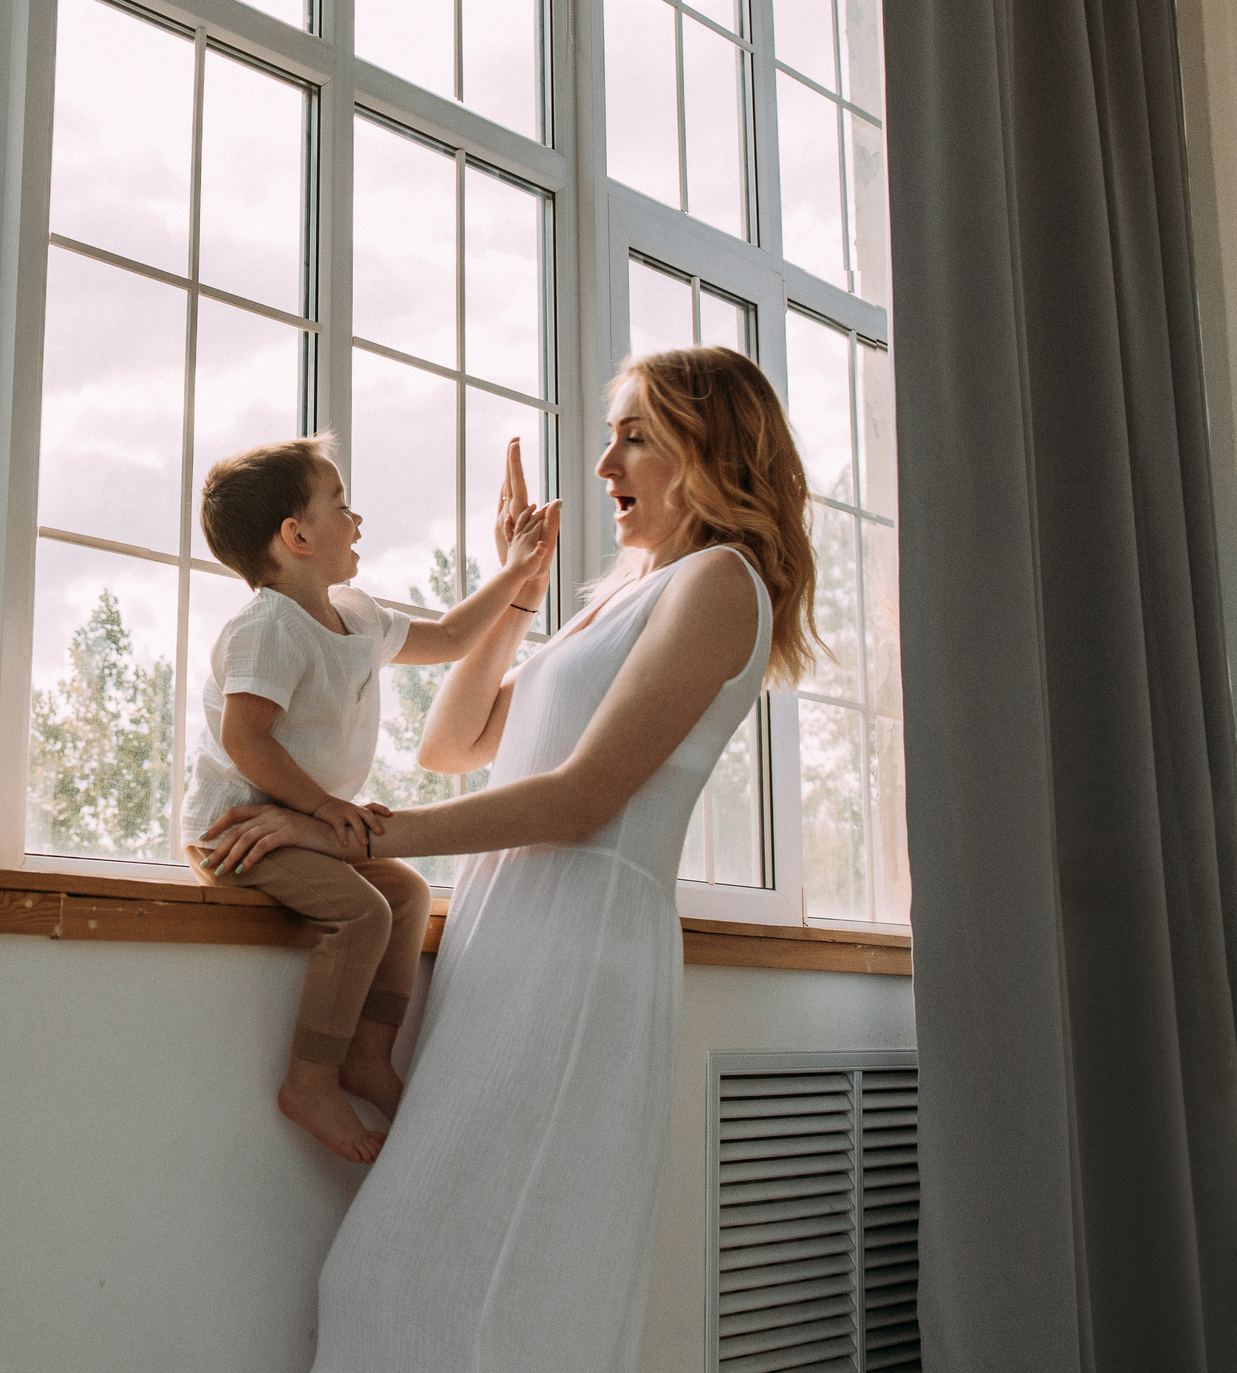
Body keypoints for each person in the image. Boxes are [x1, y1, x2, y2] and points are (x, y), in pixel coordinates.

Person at [196, 347, 822, 1372]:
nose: (605, 459)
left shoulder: (716, 584)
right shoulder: (617, 593)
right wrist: (521, 584)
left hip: (577, 954)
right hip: (510, 942)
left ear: (705, 452)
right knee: (419, 1281)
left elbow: (579, 800)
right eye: (610, 433)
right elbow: (453, 745)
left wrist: (339, 831)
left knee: (456, 1280)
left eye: (635, 436)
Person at [182, 435, 560, 1165]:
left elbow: (451, 635)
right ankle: (310, 1078)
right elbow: (246, 741)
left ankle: (367, 1054)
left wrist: (517, 570)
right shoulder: (267, 628)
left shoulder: (356, 618)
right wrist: (323, 807)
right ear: (296, 536)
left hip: (300, 828)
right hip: (234, 831)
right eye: (341, 507)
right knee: (362, 911)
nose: (358, 522)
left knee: (408, 893)